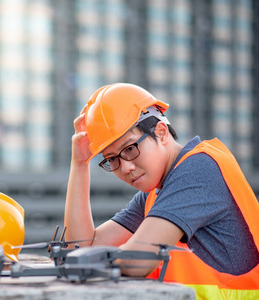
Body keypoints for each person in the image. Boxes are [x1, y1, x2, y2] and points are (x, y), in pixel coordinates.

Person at [64, 83, 259, 299]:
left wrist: (90, 258)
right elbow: (80, 248)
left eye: (129, 149)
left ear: (161, 132)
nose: (126, 167)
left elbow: (138, 260)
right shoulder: (155, 194)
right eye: (112, 159)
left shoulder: (198, 169)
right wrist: (80, 164)